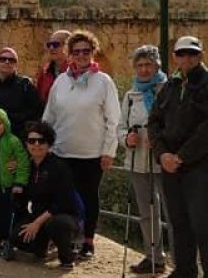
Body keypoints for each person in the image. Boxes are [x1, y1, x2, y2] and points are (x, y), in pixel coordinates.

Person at [148, 35, 208, 278]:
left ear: (200, 55)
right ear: (174, 57)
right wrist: (162, 154)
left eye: (192, 53)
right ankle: (185, 270)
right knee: (178, 223)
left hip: (202, 165)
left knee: (203, 225)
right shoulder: (170, 86)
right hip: (171, 165)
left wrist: (181, 157)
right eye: (181, 54)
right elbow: (154, 122)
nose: (186, 58)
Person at [41, 30, 120, 259]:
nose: (82, 55)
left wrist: (108, 151)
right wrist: (43, 145)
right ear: (70, 54)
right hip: (62, 150)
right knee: (64, 197)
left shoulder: (103, 81)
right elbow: (50, 116)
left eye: (86, 51)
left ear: (93, 52)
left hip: (91, 153)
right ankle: (65, 238)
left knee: (88, 197)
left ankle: (87, 240)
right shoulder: (61, 81)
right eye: (77, 51)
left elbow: (113, 119)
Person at [119, 45, 169, 274]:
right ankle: (154, 257)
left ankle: (183, 262)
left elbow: (178, 125)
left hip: (164, 161)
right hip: (137, 161)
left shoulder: (169, 90)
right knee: (147, 213)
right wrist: (126, 139)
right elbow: (120, 127)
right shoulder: (131, 96)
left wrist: (160, 140)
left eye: (148, 64)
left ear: (157, 65)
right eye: (139, 65)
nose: (144, 69)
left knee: (174, 213)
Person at [13, 120, 81, 269]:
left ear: (49, 143)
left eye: (41, 140)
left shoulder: (59, 167)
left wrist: (37, 223)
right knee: (18, 235)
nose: (36, 144)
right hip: (38, 215)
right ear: (26, 143)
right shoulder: (26, 167)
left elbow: (63, 202)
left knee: (58, 224)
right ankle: (42, 246)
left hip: (63, 215)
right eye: (31, 140)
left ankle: (67, 255)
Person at [0, 107, 30, 257]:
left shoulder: (13, 141)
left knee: (9, 215)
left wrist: (19, 183)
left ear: (6, 123)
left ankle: (9, 241)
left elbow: (23, 163)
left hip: (10, 186)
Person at [37, 29, 72, 105]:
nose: (51, 48)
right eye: (49, 45)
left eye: (56, 45)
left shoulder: (76, 71)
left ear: (68, 47)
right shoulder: (45, 72)